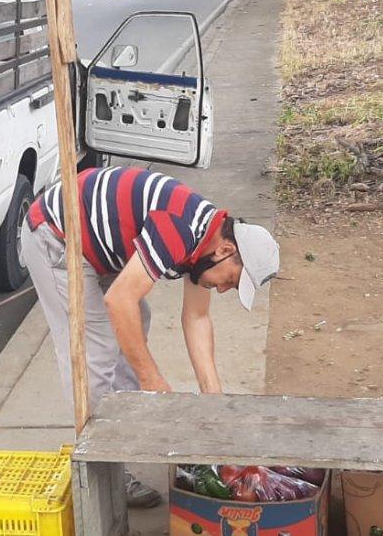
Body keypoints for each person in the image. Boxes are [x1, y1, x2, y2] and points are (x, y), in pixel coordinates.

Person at [21, 165, 280, 508]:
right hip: (55, 234)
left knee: (136, 320)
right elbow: (119, 300)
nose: (223, 290)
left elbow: (197, 317)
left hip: (96, 244)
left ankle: (122, 438)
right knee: (94, 350)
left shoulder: (207, 240)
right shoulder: (178, 230)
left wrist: (214, 400)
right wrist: (152, 381)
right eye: (231, 281)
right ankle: (104, 477)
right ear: (226, 251)